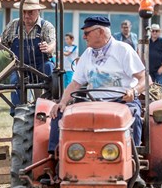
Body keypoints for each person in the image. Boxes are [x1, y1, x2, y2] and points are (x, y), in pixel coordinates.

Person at [49, 15, 146, 153]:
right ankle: (56, 159)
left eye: (86, 33)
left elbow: (145, 79)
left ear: (100, 32)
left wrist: (134, 92)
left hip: (121, 102)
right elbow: (75, 84)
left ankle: (132, 158)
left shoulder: (123, 50)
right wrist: (62, 102)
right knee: (58, 113)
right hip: (92, 103)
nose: (83, 37)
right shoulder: (87, 54)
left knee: (134, 116)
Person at [0, 0, 55, 110]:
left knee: (50, 70)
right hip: (19, 66)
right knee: (15, 82)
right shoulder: (14, 25)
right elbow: (2, 43)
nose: (26, 15)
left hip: (41, 66)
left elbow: (52, 44)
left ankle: (49, 106)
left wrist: (48, 47)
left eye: (30, 12)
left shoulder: (46, 26)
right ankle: (19, 111)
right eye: (24, 12)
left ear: (38, 11)